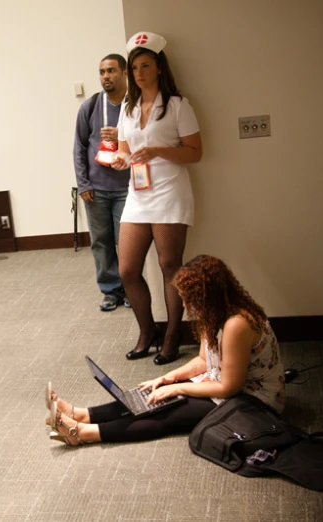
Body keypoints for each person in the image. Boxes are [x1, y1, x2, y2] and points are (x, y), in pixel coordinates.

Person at [45, 255, 286, 446]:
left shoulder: (237, 325)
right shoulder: (213, 315)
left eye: (188, 299)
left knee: (167, 414)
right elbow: (204, 361)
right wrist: (167, 378)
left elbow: (229, 387)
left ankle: (83, 433)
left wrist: (179, 387)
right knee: (151, 395)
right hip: (222, 383)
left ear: (206, 298)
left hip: (253, 402)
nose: (184, 305)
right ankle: (82, 414)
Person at [110, 32, 203, 364]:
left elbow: (195, 153)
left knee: (169, 266)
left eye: (145, 65)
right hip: (138, 193)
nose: (138, 73)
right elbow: (124, 148)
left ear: (159, 68)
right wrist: (122, 158)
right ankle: (146, 331)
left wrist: (157, 150)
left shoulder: (178, 105)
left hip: (169, 192)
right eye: (134, 67)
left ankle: (172, 334)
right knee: (127, 269)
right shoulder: (128, 107)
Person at [74, 54, 132, 312]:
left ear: (124, 73)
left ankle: (132, 288)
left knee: (128, 242)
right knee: (101, 242)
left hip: (127, 188)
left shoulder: (136, 105)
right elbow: (79, 147)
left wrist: (122, 135)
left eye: (111, 71)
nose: (105, 76)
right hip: (96, 189)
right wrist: (83, 184)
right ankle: (111, 290)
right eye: (101, 72)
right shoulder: (91, 106)